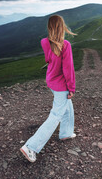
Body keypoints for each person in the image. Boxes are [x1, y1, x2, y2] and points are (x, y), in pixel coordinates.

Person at [20, 14, 77, 163]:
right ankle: (30, 147)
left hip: (51, 80)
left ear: (50, 27)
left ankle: (66, 133)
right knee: (56, 115)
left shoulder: (44, 42)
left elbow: (48, 59)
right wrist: (71, 88)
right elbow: (68, 68)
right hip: (61, 85)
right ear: (62, 27)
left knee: (67, 107)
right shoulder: (65, 45)